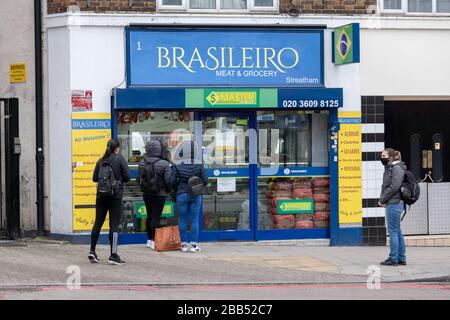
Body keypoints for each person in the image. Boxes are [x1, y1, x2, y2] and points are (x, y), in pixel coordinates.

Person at [90, 139, 130, 265]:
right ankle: (113, 255)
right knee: (114, 225)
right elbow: (128, 177)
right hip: (115, 197)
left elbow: (94, 178)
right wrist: (118, 179)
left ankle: (92, 251)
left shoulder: (101, 161)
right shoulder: (120, 159)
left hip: (101, 197)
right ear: (117, 148)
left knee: (98, 223)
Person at [169, 140, 208, 252]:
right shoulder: (199, 163)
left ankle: (184, 245)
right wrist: (198, 185)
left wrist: (178, 185)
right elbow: (205, 180)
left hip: (181, 194)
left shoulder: (177, 164)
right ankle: (194, 245)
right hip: (195, 194)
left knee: (182, 219)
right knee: (195, 220)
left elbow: (171, 181)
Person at [136, 139, 172, 250]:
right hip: (159, 194)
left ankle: (149, 240)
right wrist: (169, 191)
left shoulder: (142, 163)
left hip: (146, 193)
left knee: (149, 216)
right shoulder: (164, 164)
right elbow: (168, 180)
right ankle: (155, 241)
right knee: (156, 217)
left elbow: (138, 179)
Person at [378, 148, 407, 266]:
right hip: (393, 202)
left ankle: (394, 258)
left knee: (393, 232)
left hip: (394, 203)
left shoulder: (396, 168)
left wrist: (382, 199)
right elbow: (386, 185)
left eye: (383, 155)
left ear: (391, 157)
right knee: (397, 231)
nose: (381, 157)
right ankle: (401, 257)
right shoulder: (390, 167)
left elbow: (394, 187)